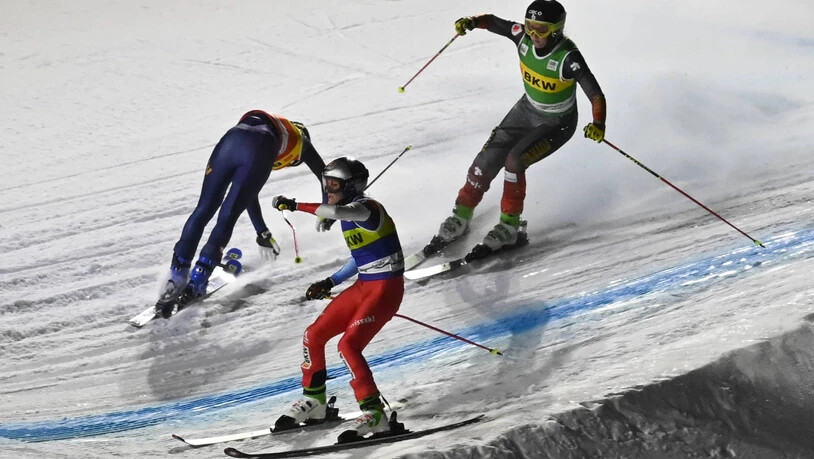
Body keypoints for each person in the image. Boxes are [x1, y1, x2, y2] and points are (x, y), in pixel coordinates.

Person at [429, 0, 607, 255]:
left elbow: (596, 94)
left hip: (556, 124)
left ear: (556, 30)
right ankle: (461, 215)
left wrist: (598, 123)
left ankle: (510, 227)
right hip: (526, 111)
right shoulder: (521, 37)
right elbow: (491, 20)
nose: (534, 35)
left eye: (541, 30)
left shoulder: (568, 57)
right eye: (530, 27)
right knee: (485, 161)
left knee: (514, 162)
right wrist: (471, 22)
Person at [269, 157, 405, 439]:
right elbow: (360, 258)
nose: (328, 188)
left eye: (334, 184)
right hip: (364, 285)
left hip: (385, 289)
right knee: (314, 335)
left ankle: (375, 414)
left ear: (352, 185)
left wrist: (294, 205)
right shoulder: (349, 214)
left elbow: (331, 211)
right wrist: (330, 282)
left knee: (348, 345)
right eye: (325, 183)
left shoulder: (365, 209)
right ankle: (316, 402)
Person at [157, 110, 334, 312]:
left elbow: (250, 196)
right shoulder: (301, 143)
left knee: (203, 208)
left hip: (232, 138)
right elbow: (324, 173)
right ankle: (199, 278)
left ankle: (177, 274)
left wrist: (262, 232)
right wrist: (326, 209)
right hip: (261, 145)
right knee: (228, 215)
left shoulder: (282, 129)